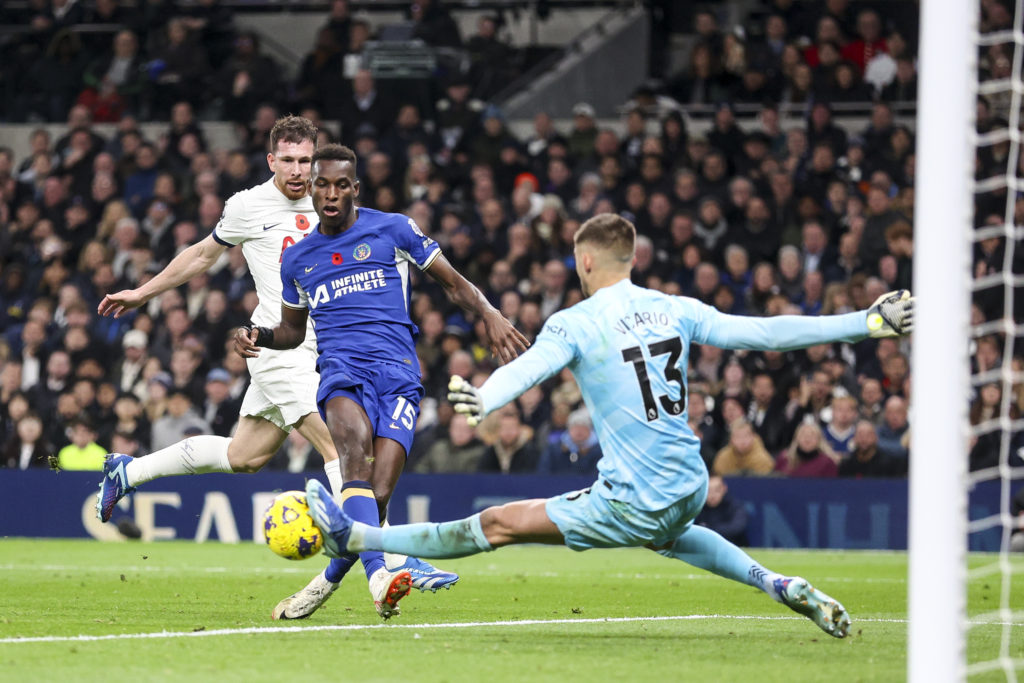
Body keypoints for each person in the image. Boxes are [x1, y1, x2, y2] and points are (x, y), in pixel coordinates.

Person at [302, 213, 914, 638]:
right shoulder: (674, 307)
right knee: (671, 530)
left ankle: (357, 540)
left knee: (496, 524)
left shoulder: (577, 321)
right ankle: (777, 583)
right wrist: (865, 322)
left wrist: (485, 399)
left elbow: (532, 368)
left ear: (586, 260)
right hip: (689, 481)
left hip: (633, 498)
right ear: (633, 259)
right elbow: (765, 333)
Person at [94, 116, 457, 619]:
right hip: (276, 352)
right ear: (271, 161)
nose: (298, 170)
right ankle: (386, 564)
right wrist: (143, 292)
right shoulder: (247, 206)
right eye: (287, 160)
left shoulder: (334, 204)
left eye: (305, 160)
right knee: (343, 449)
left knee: (245, 456)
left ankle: (127, 471)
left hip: (331, 351)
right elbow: (201, 256)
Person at [235, 144, 529, 620]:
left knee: (376, 496)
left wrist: (490, 313)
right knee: (354, 462)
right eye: (321, 184)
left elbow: (453, 283)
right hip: (341, 372)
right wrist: (257, 334)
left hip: (398, 374)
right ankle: (380, 578)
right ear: (310, 189)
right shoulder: (299, 260)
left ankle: (326, 581)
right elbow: (291, 332)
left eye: (340, 185)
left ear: (355, 189)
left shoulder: (393, 229)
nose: (330, 194)